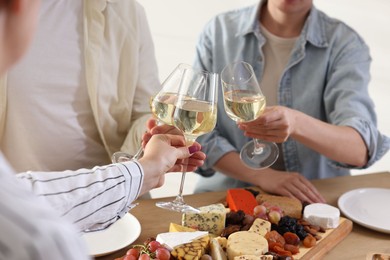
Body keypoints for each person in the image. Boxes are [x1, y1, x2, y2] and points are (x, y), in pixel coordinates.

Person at [0, 0, 205, 259]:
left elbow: (145, 111)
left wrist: (151, 143)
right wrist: (144, 170)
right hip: (22, 204)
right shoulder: (14, 14)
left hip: (116, 213)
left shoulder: (125, 11)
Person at [191, 0, 390, 203]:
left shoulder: (345, 44)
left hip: (312, 199)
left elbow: (360, 150)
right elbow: (198, 128)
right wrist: (261, 175)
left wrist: (295, 123)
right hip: (225, 195)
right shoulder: (219, 31)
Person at [0, 0, 161, 173]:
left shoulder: (125, 11)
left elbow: (146, 112)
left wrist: (157, 134)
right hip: (16, 192)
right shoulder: (8, 9)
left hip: (107, 191)